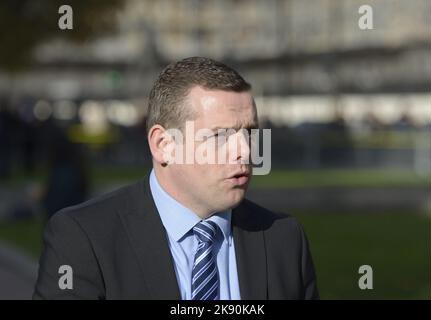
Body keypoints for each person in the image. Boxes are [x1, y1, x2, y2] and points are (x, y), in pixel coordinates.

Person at [33, 57, 319, 300]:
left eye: (250, 133)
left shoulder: (283, 238)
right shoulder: (83, 239)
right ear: (163, 145)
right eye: (220, 135)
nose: (244, 151)